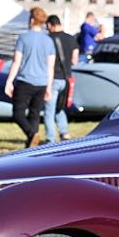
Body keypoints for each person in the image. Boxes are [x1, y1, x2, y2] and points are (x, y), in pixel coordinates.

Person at [4, 7, 55, 148]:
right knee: (35, 114)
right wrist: (49, 87)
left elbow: (16, 62)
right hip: (42, 82)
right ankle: (31, 145)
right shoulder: (49, 41)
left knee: (18, 113)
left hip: (25, 81)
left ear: (32, 20)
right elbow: (50, 67)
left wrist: (9, 81)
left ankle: (32, 134)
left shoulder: (23, 38)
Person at [43, 15, 79, 143]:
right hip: (67, 78)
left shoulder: (48, 39)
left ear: (49, 25)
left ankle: (50, 139)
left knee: (49, 111)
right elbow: (75, 61)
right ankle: (64, 133)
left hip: (52, 79)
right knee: (60, 107)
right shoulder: (71, 39)